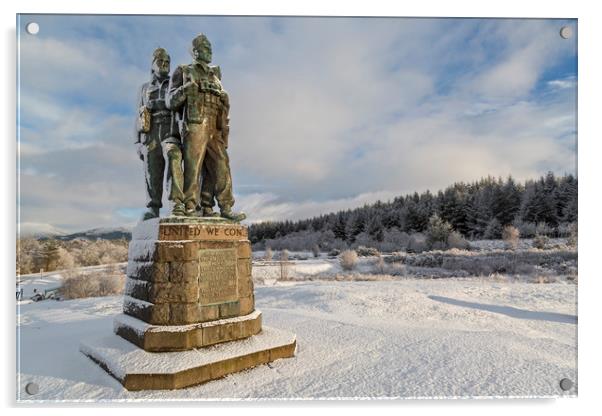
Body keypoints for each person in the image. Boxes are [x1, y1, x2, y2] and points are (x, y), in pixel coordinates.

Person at [166, 34, 245, 221]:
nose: (209, 51)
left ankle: (225, 207)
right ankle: (190, 206)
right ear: (195, 51)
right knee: (194, 166)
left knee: (221, 164)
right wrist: (186, 90)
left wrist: (225, 100)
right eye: (205, 47)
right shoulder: (184, 71)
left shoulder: (215, 75)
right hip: (195, 122)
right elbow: (170, 101)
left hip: (214, 125)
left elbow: (222, 101)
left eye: (210, 48)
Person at [135, 47, 185, 219]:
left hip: (170, 131)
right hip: (151, 133)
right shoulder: (144, 88)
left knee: (173, 155)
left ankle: (176, 203)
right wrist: (137, 143)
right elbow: (139, 115)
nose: (164, 65)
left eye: (167, 62)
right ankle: (153, 207)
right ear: (153, 65)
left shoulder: (176, 82)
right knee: (152, 170)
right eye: (160, 62)